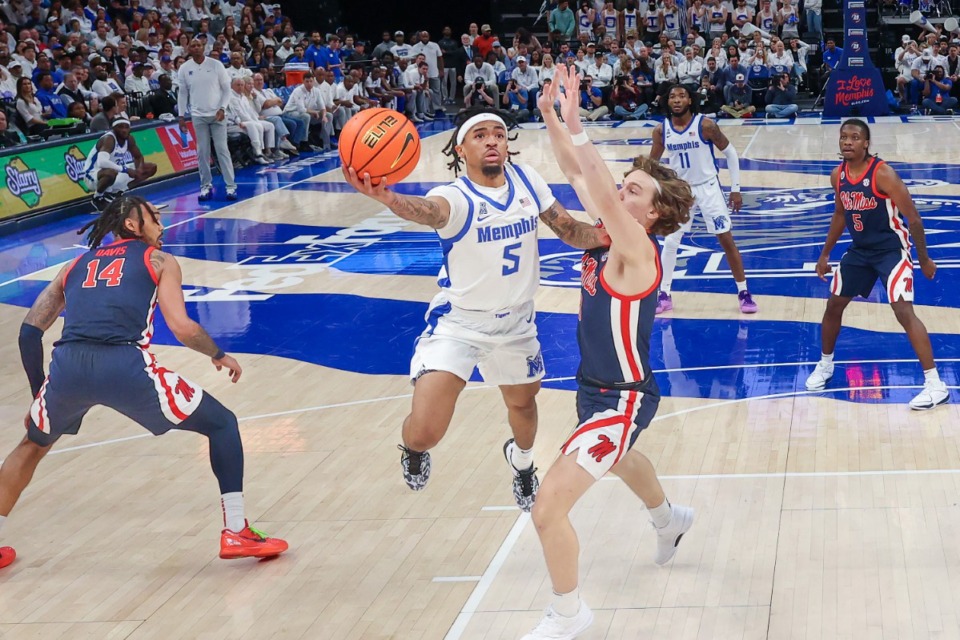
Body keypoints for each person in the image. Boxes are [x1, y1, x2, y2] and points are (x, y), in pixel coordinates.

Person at [340, 106, 610, 511]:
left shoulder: (526, 181)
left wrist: (611, 236)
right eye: (480, 135)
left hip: (517, 324)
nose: (492, 141)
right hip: (459, 325)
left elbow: (568, 229)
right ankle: (413, 450)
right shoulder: (453, 196)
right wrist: (389, 198)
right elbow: (429, 212)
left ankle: (521, 464)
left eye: (498, 134)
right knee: (426, 433)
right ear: (461, 149)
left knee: (523, 407)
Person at [0, 196, 288, 572]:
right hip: (123, 363)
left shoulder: (73, 265)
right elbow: (183, 328)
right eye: (154, 216)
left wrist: (42, 395)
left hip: (67, 366)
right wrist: (217, 354)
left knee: (31, 446)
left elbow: (28, 332)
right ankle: (236, 530)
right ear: (133, 225)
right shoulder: (159, 261)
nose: (161, 223)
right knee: (222, 423)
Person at [521, 64, 696, 640]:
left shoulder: (639, 251)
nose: (622, 193)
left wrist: (577, 123)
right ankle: (669, 519)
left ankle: (570, 613)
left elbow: (593, 180)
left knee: (548, 507)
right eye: (624, 186)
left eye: (634, 192)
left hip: (620, 399)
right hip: (592, 386)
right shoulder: (611, 230)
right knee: (620, 460)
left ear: (653, 216)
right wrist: (550, 117)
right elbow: (578, 172)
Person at [806, 119, 948, 410]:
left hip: (891, 250)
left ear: (866, 143)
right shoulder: (838, 175)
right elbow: (839, 215)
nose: (847, 142)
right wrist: (824, 255)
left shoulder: (883, 174)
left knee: (902, 310)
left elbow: (914, 218)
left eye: (854, 137)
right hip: (860, 251)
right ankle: (825, 365)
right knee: (834, 305)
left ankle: (935, 385)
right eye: (843, 137)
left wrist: (923, 259)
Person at [649, 85, 757, 314]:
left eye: (681, 96)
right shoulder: (661, 131)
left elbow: (730, 153)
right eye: (672, 97)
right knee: (670, 242)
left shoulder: (705, 125)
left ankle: (744, 292)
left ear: (690, 100)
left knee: (726, 240)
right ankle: (664, 293)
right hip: (681, 192)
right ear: (667, 102)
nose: (677, 100)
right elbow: (652, 165)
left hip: (709, 188)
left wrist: (735, 189)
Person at [177, 38, 237, 201]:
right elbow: (182, 93)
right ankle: (205, 186)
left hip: (217, 114)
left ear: (203, 47)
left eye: (198, 45)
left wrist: (223, 108)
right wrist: (181, 116)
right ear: (189, 48)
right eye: (193, 45)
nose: (196, 48)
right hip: (198, 115)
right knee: (202, 152)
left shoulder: (216, 65)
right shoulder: (184, 68)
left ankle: (230, 186)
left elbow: (226, 90)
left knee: (221, 149)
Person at [82, 117, 158, 211]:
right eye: (120, 127)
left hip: (115, 171)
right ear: (114, 128)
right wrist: (125, 170)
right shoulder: (108, 139)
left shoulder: (129, 139)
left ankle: (117, 193)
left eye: (126, 127)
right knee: (111, 172)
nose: (124, 130)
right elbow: (102, 162)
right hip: (92, 175)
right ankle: (98, 198)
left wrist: (139, 170)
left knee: (150, 168)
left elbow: (138, 157)